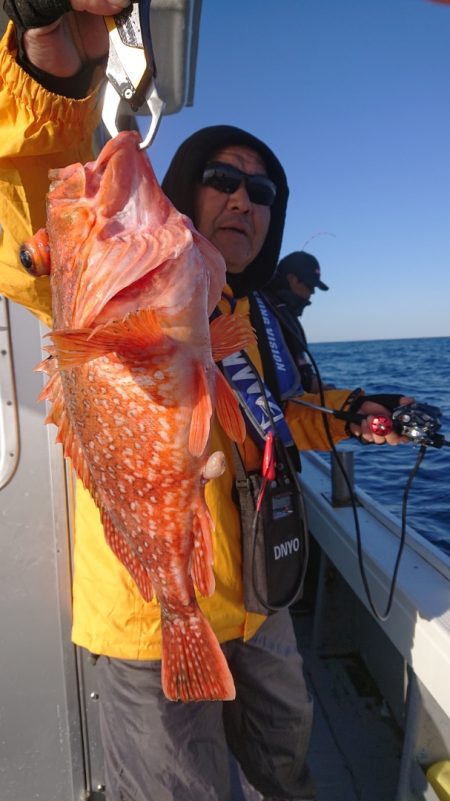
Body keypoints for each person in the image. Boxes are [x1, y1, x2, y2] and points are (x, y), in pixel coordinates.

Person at [0, 5, 412, 800]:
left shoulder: (249, 318)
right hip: (151, 609)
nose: (244, 200)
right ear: (183, 196)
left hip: (260, 601)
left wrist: (357, 409)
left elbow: (274, 415)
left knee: (286, 768)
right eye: (222, 180)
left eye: (261, 191)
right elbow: (26, 196)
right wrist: (48, 61)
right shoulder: (92, 290)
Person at [264, 251, 330, 394]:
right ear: (292, 279)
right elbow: (305, 380)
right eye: (310, 285)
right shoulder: (278, 314)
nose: (312, 292)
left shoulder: (267, 304)